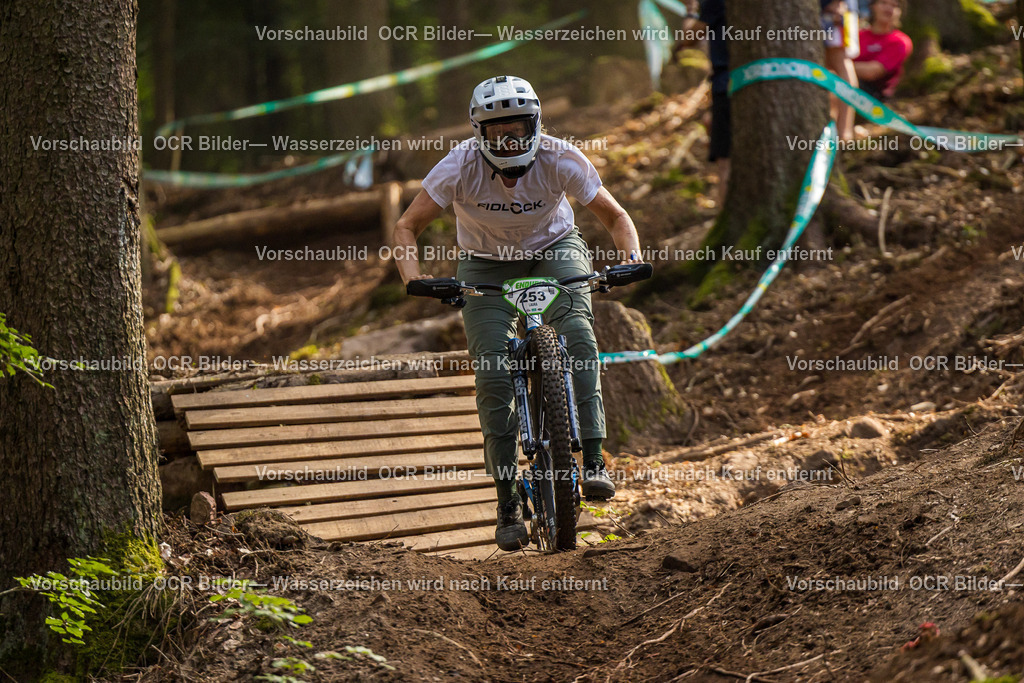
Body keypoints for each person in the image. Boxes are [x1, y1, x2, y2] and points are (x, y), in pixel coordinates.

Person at [392, 76, 644, 551]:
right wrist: (414, 277)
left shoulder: (560, 157)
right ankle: (507, 499)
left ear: (536, 124)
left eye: (518, 128)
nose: (508, 139)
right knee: (492, 373)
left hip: (554, 250)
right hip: (485, 263)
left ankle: (593, 458)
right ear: (478, 132)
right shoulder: (458, 166)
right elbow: (407, 225)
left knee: (579, 336)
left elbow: (616, 216)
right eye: (497, 130)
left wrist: (629, 259)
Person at [853, 0, 913, 100]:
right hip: (848, 85)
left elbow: (871, 72)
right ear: (873, 6)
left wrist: (842, 67)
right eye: (883, 3)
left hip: (875, 98)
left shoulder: (900, 42)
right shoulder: (858, 35)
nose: (888, 9)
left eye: (894, 6)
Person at [821, 0, 860, 140]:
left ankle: (844, 131)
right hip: (824, 9)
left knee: (840, 59)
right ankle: (833, 127)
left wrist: (837, 2)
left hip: (836, 9)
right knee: (826, 63)